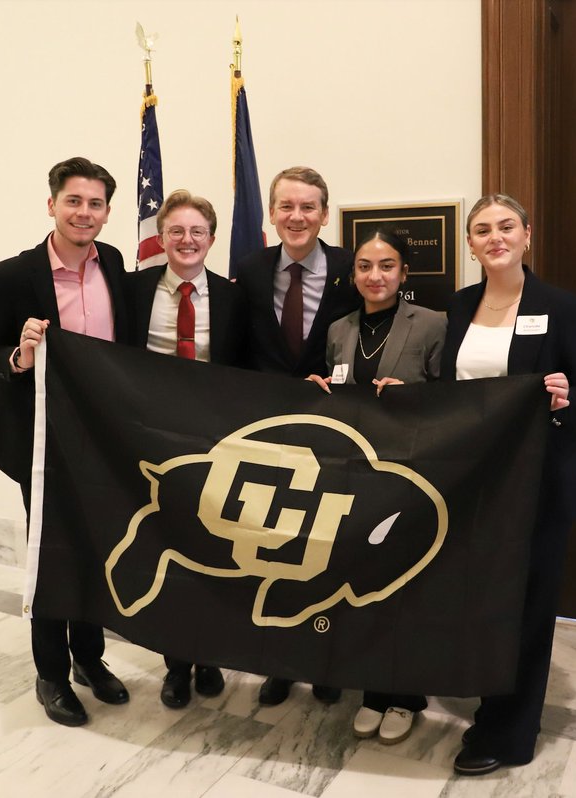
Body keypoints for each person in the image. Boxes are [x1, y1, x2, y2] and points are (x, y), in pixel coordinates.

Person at [0, 156, 131, 727]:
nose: (84, 212)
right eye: (74, 201)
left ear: (107, 212)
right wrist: (20, 354)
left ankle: (90, 659)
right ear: (52, 204)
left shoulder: (112, 263)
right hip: (40, 441)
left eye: (95, 204)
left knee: (97, 551)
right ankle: (52, 674)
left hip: (101, 440)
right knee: (51, 558)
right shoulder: (14, 275)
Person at [440, 194, 576, 775]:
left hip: (540, 485)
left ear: (528, 234)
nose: (494, 237)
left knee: (528, 608)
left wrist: (563, 400)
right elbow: (446, 391)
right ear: (471, 244)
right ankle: (486, 701)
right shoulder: (457, 306)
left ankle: (508, 730)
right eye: (482, 230)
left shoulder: (561, 306)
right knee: (482, 602)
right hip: (475, 485)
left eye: (506, 227)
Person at [308, 227, 445, 744]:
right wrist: (319, 391)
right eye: (365, 266)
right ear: (353, 274)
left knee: (404, 587)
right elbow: (339, 393)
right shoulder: (340, 330)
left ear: (404, 273)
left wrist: (414, 397)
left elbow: (454, 401)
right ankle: (371, 691)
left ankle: (405, 696)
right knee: (361, 587)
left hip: (410, 475)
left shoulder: (433, 324)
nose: (375, 276)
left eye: (387, 265)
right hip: (355, 480)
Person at [233, 165, 358, 705]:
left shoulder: (354, 269)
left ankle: (328, 662)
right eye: (286, 206)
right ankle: (280, 662)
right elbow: (239, 352)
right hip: (271, 435)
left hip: (335, 433)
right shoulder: (251, 269)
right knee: (273, 549)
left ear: (325, 214)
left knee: (329, 547)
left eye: (308, 207)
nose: (297, 217)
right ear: (271, 213)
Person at [124, 189, 246, 709]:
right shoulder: (130, 291)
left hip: (217, 442)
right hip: (154, 440)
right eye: (176, 230)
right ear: (160, 238)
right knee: (168, 546)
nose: (187, 240)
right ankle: (175, 665)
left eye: (197, 231)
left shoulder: (236, 297)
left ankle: (210, 653)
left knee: (215, 550)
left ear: (212, 240)